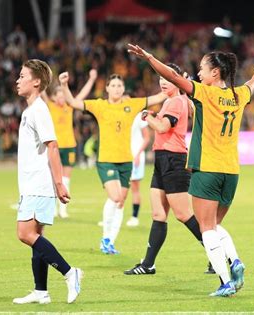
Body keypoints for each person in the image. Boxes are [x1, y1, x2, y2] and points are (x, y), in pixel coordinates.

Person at [127, 42, 254, 296]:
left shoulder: (204, 94)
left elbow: (173, 76)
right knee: (215, 225)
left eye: (202, 69)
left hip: (207, 168)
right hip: (231, 171)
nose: (198, 73)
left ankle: (226, 282)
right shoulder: (239, 95)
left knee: (206, 227)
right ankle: (236, 262)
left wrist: (149, 56)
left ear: (215, 73)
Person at [59, 72, 166, 254]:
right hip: (106, 161)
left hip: (126, 161)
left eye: (119, 85)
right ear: (107, 88)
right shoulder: (99, 106)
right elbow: (74, 103)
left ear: (123, 88)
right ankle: (105, 237)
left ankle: (110, 241)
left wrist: (172, 80)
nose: (117, 88)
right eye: (113, 85)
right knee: (115, 197)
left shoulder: (131, 104)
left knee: (121, 201)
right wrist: (64, 85)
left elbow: (161, 96)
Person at [123, 64, 205, 275]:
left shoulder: (176, 101)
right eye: (160, 78)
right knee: (158, 214)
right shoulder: (173, 101)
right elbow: (164, 124)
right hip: (162, 160)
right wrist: (154, 115)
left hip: (173, 160)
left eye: (167, 78)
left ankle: (217, 254)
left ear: (176, 80)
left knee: (183, 214)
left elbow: (162, 128)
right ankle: (148, 264)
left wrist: (146, 117)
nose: (162, 81)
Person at [12, 59, 82, 305]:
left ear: (36, 81)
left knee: (25, 233)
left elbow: (53, 146)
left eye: (22, 76)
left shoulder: (39, 110)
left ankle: (70, 272)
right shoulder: (30, 110)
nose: (17, 80)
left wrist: (60, 183)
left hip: (39, 184)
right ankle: (41, 291)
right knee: (36, 236)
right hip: (33, 182)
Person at [41, 69, 98, 219]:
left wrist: (91, 79)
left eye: (62, 95)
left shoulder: (69, 106)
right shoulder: (49, 106)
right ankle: (52, 208)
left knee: (66, 178)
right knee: (54, 178)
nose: (61, 98)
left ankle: (63, 209)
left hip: (69, 145)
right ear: (53, 97)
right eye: (58, 95)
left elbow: (82, 95)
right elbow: (41, 91)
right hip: (54, 147)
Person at [126, 111, 150, 227]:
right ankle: (112, 218)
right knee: (119, 187)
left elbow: (147, 138)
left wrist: (138, 155)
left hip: (136, 156)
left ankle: (134, 217)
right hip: (123, 156)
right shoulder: (119, 112)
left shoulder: (139, 115)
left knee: (134, 188)